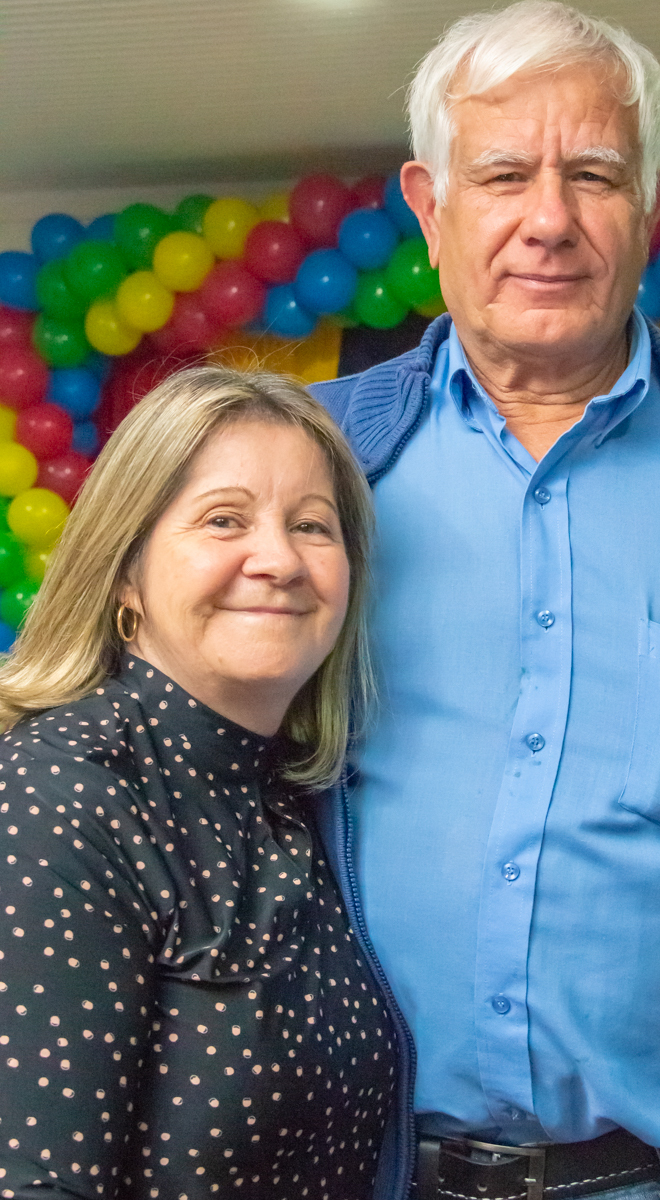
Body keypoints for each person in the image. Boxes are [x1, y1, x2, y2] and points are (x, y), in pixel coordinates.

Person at [311, 4, 660, 1200]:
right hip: (347, 1173)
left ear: (651, 199)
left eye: (591, 174)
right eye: (501, 176)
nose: (547, 220)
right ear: (428, 205)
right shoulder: (300, 470)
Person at [0, 366, 413, 1200]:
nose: (279, 560)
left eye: (312, 526)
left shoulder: (294, 797)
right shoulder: (60, 797)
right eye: (224, 519)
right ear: (125, 567)